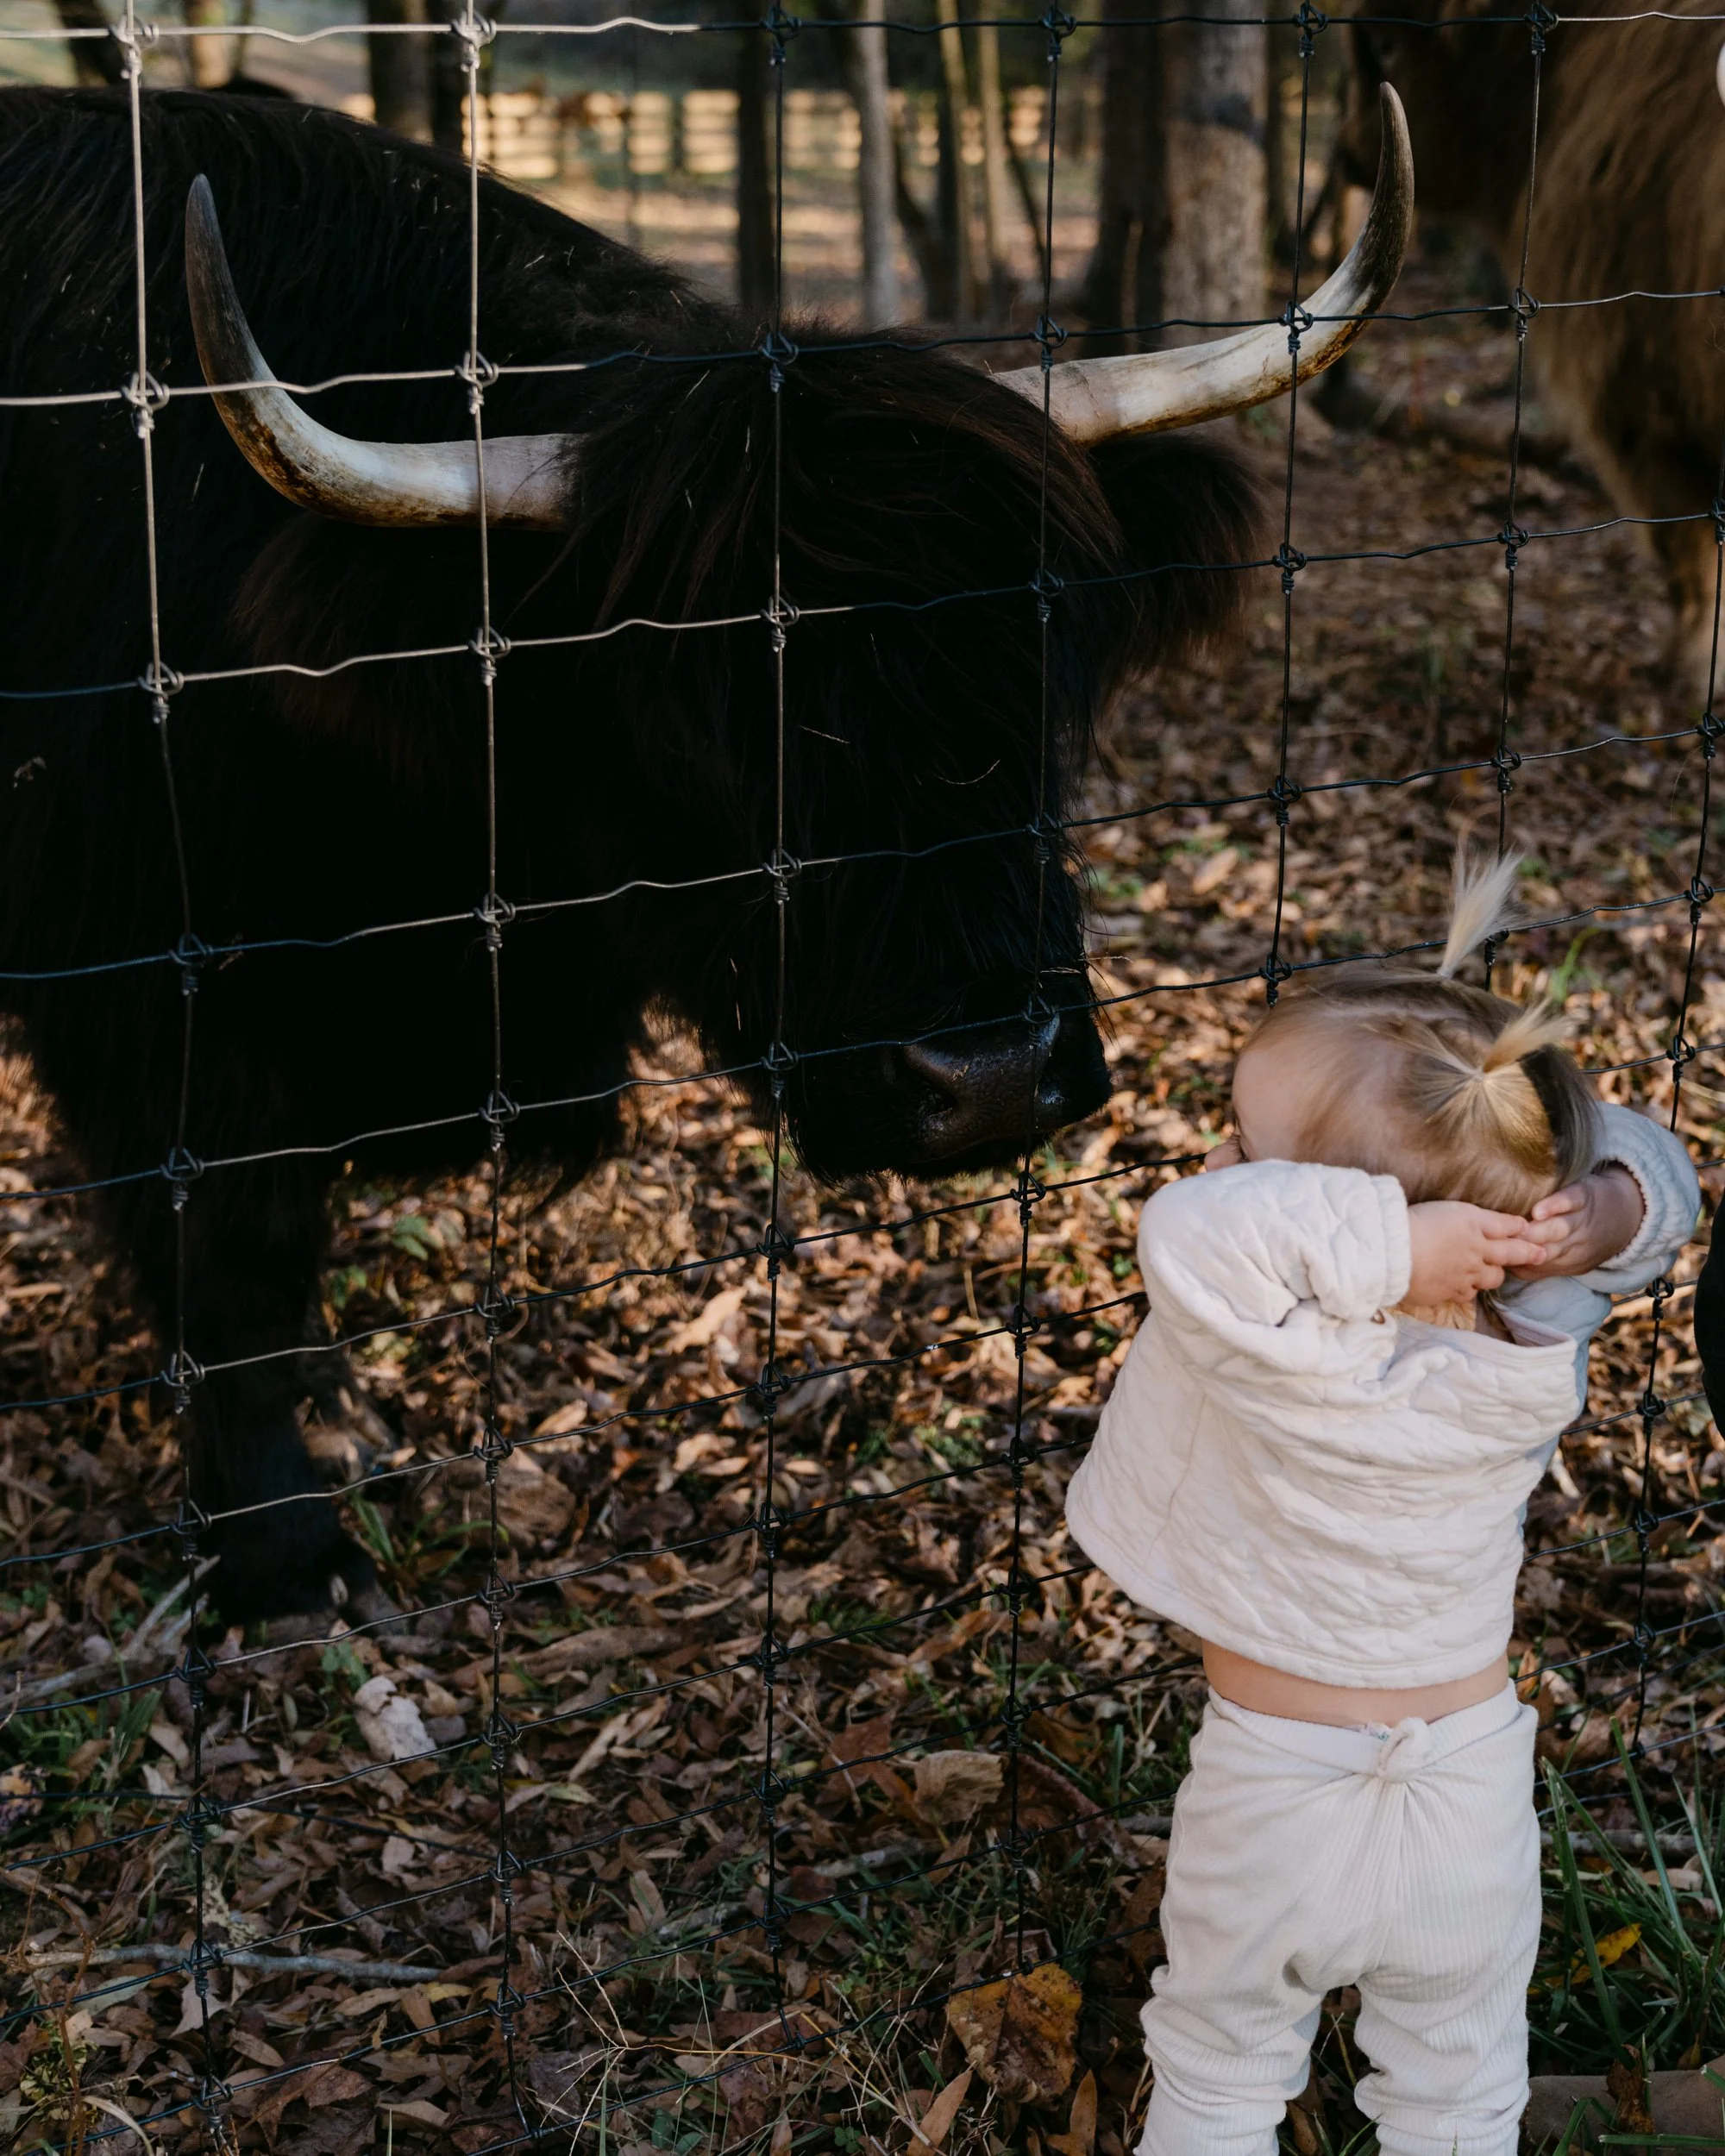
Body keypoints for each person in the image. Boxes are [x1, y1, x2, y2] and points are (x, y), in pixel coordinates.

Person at [1066, 853, 1699, 2156]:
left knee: (1221, 2066)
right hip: (1469, 1797)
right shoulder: (1530, 1329)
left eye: (1243, 1144)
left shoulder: (1255, 1331)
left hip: (1272, 1793)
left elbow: (1191, 1226)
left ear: (1329, 1209)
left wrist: (1386, 1248)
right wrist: (1599, 1211)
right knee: (1459, 2091)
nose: (1219, 1159)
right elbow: (1657, 1178)